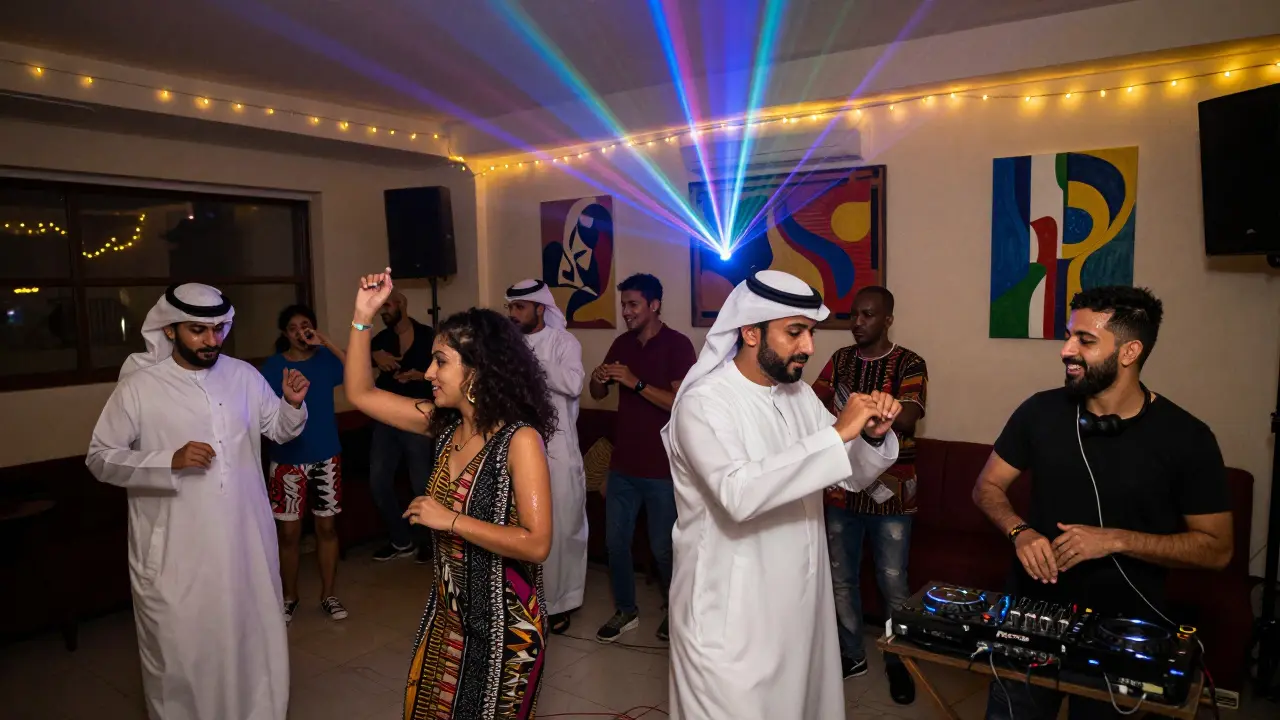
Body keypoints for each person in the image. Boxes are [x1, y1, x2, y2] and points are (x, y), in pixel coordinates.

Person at [972, 286, 1233, 720]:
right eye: (1068, 336)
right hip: (1031, 616)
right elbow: (987, 487)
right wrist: (1020, 532)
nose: (1066, 350)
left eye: (1085, 340)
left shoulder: (1188, 438)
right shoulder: (1039, 412)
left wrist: (1114, 540)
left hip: (1125, 631)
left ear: (1130, 351)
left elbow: (1217, 548)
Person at [662, 270, 902, 720]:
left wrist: (869, 436)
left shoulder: (799, 396)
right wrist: (837, 433)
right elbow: (738, 493)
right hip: (731, 617)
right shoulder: (703, 403)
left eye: (810, 332)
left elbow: (848, 474)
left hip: (800, 608)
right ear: (750, 332)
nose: (808, 346)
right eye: (795, 332)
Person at [86, 284, 309, 720]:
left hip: (244, 543)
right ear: (170, 330)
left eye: (219, 329)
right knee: (184, 651)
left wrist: (292, 404)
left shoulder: (243, 375)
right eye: (198, 330)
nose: (212, 340)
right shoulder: (140, 387)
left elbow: (279, 430)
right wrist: (167, 460)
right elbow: (100, 458)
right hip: (177, 551)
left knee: (248, 637)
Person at [345, 269, 554, 719]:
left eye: (440, 362)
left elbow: (537, 543)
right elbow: (360, 392)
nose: (428, 373)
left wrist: (451, 520)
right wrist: (362, 317)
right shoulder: (443, 426)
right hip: (447, 619)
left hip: (505, 630)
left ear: (476, 370)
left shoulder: (519, 441)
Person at [811, 286, 925, 703]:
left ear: (887, 319)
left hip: (891, 495)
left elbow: (909, 416)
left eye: (868, 315)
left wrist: (878, 412)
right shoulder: (840, 360)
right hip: (842, 491)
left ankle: (900, 663)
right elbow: (813, 404)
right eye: (853, 315)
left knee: (893, 582)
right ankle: (852, 654)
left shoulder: (909, 362)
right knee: (841, 580)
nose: (857, 322)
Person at [588, 272, 697, 643]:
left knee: (664, 548)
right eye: (623, 305)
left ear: (654, 305)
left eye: (633, 304)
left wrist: (635, 382)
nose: (626, 312)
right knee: (615, 544)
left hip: (662, 469)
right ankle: (626, 611)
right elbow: (597, 393)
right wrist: (599, 376)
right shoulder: (621, 343)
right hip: (623, 465)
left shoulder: (678, 345)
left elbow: (681, 405)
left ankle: (677, 610)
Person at [506, 278, 589, 635]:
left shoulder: (563, 342)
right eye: (510, 307)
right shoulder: (508, 346)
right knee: (522, 523)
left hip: (558, 449)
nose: (513, 313)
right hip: (518, 447)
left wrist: (531, 362)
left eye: (520, 307)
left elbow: (573, 383)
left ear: (540, 309)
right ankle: (529, 599)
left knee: (563, 527)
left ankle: (562, 602)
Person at [261, 304, 349, 625]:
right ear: (285, 334)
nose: (301, 332)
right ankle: (289, 597)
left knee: (327, 528)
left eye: (306, 325)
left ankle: (329, 595)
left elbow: (356, 370)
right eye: (294, 328)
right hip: (287, 460)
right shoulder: (274, 366)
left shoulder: (325, 359)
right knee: (288, 534)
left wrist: (327, 342)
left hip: (326, 455)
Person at [367, 289, 437, 562]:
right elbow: (357, 365)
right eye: (380, 309)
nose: (383, 313)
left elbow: (447, 372)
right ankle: (400, 540)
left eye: (387, 307)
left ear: (401, 305)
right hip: (386, 418)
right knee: (378, 481)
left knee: (421, 483)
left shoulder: (429, 337)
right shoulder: (380, 341)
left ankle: (430, 542)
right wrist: (374, 356)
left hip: (418, 418)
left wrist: (421, 376)